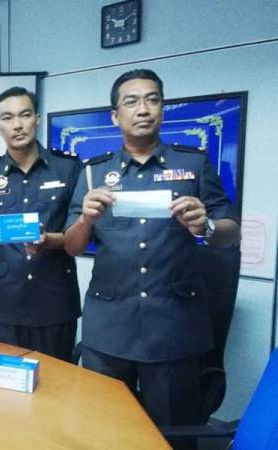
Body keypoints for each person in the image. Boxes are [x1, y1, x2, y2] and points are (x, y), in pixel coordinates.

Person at [64, 69, 240, 449]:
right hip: (109, 328)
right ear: (116, 116)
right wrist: (85, 220)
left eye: (152, 99)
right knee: (106, 434)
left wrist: (207, 226)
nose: (143, 109)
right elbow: (72, 246)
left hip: (174, 328)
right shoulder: (94, 172)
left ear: (162, 108)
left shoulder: (193, 164)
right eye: (131, 102)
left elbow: (231, 232)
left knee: (171, 437)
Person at [0, 86, 82, 361]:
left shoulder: (68, 168)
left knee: (58, 380)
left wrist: (49, 240)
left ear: (37, 118)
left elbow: (79, 234)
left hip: (56, 301)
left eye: (25, 115)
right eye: (7, 118)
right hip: (7, 304)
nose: (17, 125)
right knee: (8, 380)